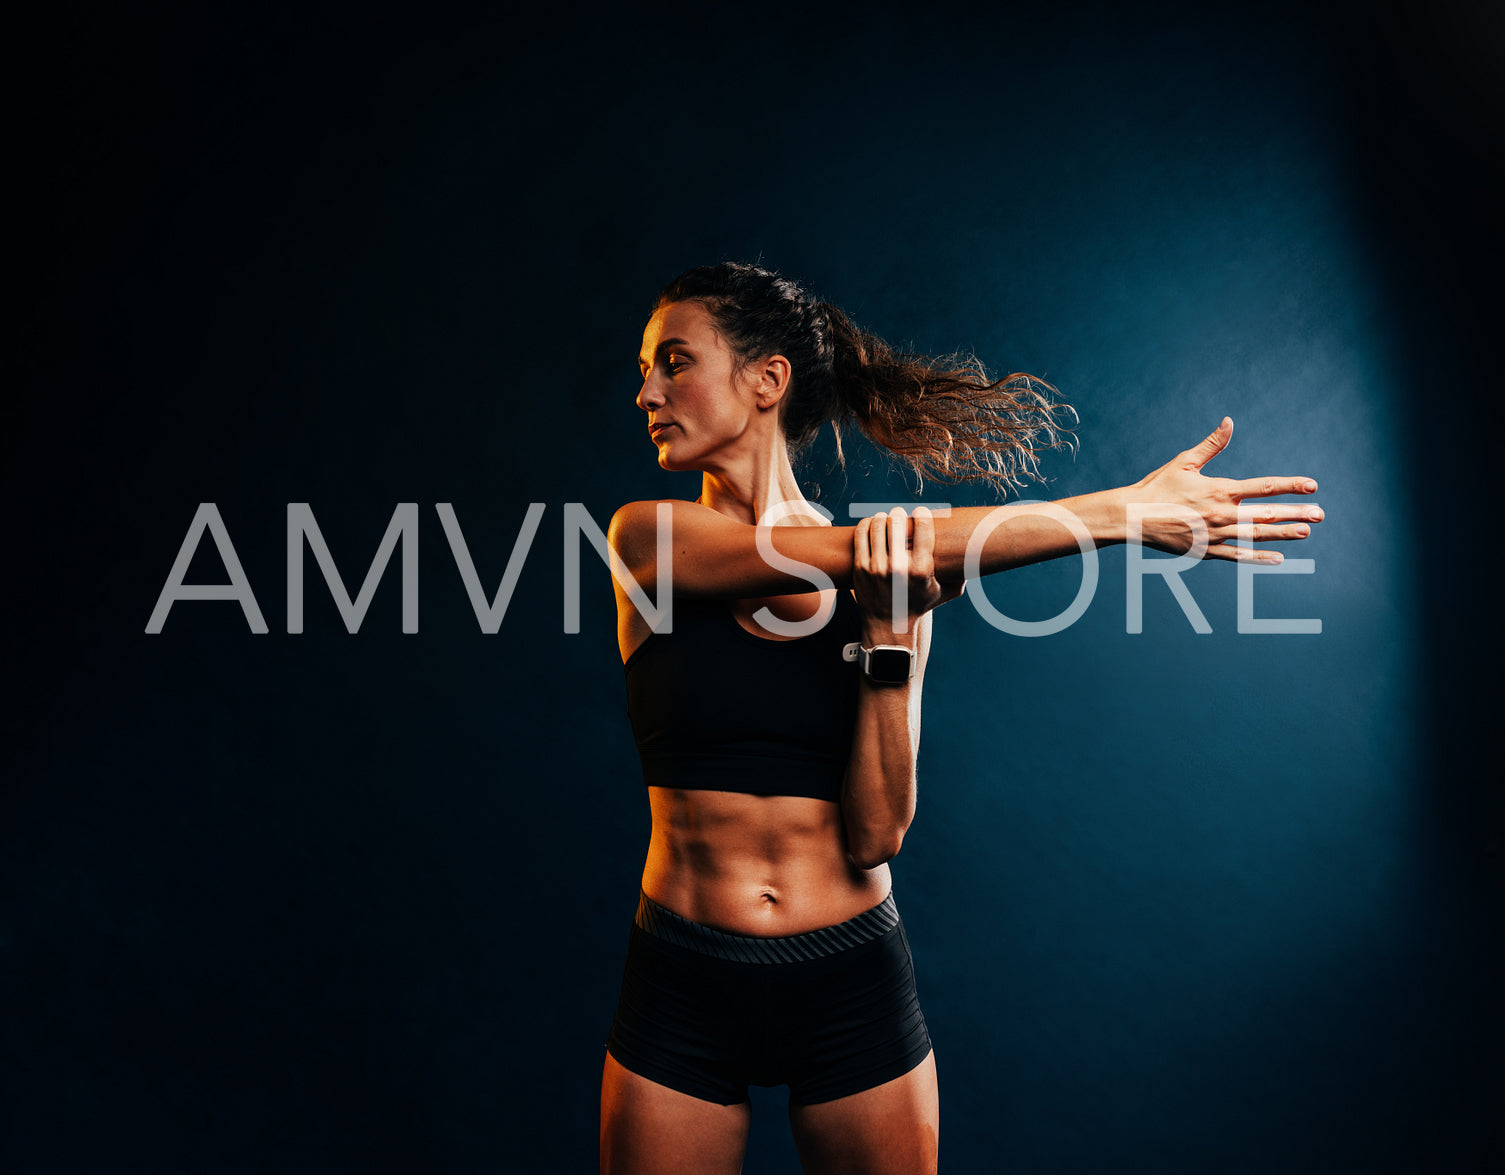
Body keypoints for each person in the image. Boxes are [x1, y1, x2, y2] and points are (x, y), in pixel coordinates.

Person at [600, 262, 1322, 1175]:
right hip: (683, 975)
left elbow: (874, 833)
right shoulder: (651, 539)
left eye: (673, 361)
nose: (647, 392)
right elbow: (865, 547)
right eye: (645, 368)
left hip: (847, 979)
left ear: (766, 380)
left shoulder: (894, 579)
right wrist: (1121, 513)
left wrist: (894, 636)